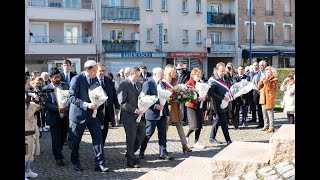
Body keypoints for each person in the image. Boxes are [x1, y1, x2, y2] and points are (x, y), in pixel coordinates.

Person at [68, 60, 111, 172]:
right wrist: (86, 105)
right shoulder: (77, 79)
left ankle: (100, 164)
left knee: (98, 139)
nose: (97, 73)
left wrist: (101, 100)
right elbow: (71, 97)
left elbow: (98, 94)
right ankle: (75, 162)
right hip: (78, 116)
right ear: (88, 69)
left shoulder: (95, 79)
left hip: (93, 115)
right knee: (75, 141)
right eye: (95, 70)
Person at [139, 67, 174, 161]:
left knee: (163, 134)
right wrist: (154, 106)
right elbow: (144, 99)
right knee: (148, 133)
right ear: (155, 74)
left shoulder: (162, 84)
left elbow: (164, 99)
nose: (163, 76)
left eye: (163, 74)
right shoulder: (148, 83)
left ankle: (163, 153)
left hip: (162, 114)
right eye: (161, 74)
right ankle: (141, 152)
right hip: (152, 114)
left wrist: (167, 114)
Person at [117, 67, 145, 168]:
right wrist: (135, 110)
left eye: (139, 75)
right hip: (129, 116)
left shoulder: (138, 84)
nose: (138, 77)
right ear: (131, 74)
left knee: (142, 135)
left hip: (140, 116)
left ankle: (131, 153)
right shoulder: (124, 84)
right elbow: (122, 102)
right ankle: (130, 161)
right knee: (131, 138)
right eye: (137, 75)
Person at [42, 67, 69, 166]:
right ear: (50, 78)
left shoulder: (65, 85)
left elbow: (69, 97)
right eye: (55, 77)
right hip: (54, 117)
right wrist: (57, 109)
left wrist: (66, 106)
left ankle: (60, 151)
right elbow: (46, 104)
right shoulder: (46, 89)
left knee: (63, 137)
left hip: (65, 116)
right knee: (56, 138)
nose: (58, 79)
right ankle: (58, 157)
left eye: (59, 77)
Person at [163, 64, 192, 153]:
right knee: (165, 129)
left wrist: (181, 96)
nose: (176, 74)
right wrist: (173, 97)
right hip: (168, 109)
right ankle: (163, 147)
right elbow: (164, 96)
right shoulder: (164, 83)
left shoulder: (175, 81)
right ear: (169, 73)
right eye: (174, 72)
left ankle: (184, 145)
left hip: (176, 108)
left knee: (180, 127)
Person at [207, 62, 232, 145]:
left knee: (217, 120)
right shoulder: (213, 79)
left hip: (225, 102)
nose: (223, 73)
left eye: (224, 71)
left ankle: (211, 137)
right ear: (217, 70)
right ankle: (228, 140)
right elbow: (210, 93)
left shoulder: (226, 77)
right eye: (221, 71)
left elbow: (229, 87)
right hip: (217, 103)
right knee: (223, 122)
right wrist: (222, 98)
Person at [96, 62, 120, 146]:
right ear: (96, 70)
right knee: (97, 131)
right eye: (100, 71)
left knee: (105, 129)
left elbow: (114, 94)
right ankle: (98, 148)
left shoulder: (108, 80)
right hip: (96, 111)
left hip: (107, 110)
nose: (102, 72)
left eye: (103, 70)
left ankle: (101, 145)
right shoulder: (92, 80)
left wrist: (117, 106)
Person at [185, 68, 207, 149]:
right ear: (193, 75)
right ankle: (186, 136)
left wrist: (204, 97)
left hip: (199, 106)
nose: (199, 77)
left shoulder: (200, 82)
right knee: (194, 124)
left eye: (200, 75)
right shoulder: (189, 83)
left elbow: (204, 92)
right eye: (197, 75)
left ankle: (196, 141)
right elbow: (188, 96)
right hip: (191, 106)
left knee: (199, 124)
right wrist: (197, 98)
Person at [25, 75, 41, 179]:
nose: (29, 85)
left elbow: (33, 110)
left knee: (30, 150)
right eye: (27, 83)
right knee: (25, 152)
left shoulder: (27, 94)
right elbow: (26, 114)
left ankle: (28, 171)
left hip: (30, 127)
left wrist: (37, 103)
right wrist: (34, 103)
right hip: (26, 128)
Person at [258, 66, 278, 133]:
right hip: (263, 98)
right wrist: (261, 81)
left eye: (269, 72)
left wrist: (266, 81)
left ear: (272, 73)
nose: (267, 73)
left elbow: (270, 88)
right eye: (266, 72)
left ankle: (271, 127)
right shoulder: (264, 78)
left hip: (269, 98)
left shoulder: (275, 79)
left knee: (270, 114)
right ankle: (266, 125)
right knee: (264, 113)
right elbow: (259, 87)